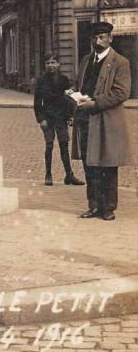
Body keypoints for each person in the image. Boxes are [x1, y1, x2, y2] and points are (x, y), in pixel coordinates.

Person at [71, 21, 136, 221]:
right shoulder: (85, 61)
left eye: (101, 37)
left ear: (110, 38)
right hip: (85, 120)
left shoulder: (120, 62)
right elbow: (78, 83)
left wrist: (95, 103)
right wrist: (73, 93)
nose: (97, 41)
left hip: (107, 121)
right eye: (94, 37)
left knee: (108, 165)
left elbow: (121, 93)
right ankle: (93, 205)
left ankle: (108, 208)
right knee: (89, 164)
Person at [34, 54, 84, 187]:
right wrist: (41, 119)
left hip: (61, 117)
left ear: (58, 64)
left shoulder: (64, 80)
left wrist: (70, 116)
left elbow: (68, 100)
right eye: (48, 63)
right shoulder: (41, 81)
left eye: (53, 62)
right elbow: (37, 102)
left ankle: (69, 175)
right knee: (49, 146)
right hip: (48, 117)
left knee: (64, 146)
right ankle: (48, 175)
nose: (50, 65)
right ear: (45, 65)